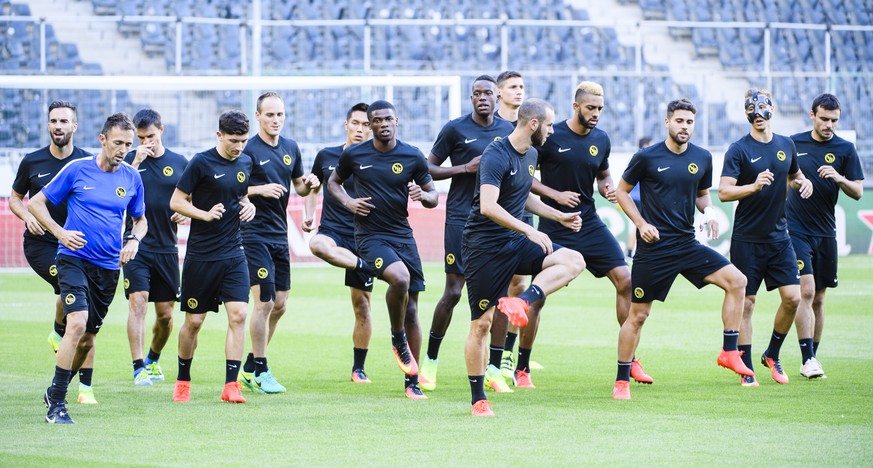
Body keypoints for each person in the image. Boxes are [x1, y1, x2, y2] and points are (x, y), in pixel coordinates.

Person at [613, 99, 753, 400]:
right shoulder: (646, 157)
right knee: (638, 316)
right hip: (654, 249)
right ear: (667, 122)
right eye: (679, 121)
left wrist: (710, 211)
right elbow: (621, 191)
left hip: (687, 245)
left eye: (689, 122)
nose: (684, 127)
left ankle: (729, 350)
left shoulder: (702, 157)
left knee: (737, 281)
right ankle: (621, 378)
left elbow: (702, 194)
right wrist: (640, 223)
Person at [463, 98, 586, 416]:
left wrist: (558, 216)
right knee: (482, 324)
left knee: (573, 260)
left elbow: (524, 197)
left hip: (513, 243)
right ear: (533, 124)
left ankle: (522, 300)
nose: (551, 131)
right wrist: (530, 231)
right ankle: (478, 399)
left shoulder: (530, 154)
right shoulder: (495, 153)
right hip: (484, 248)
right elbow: (489, 206)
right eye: (548, 124)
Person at [531, 81, 651, 388]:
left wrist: (606, 188)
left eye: (600, 109)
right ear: (576, 107)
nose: (596, 114)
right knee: (536, 296)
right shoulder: (550, 136)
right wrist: (555, 196)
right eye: (590, 108)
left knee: (627, 280)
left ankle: (631, 358)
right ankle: (521, 366)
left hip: (588, 222)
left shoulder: (601, 139)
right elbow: (526, 179)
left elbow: (603, 173)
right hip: (555, 224)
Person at [29, 112, 146, 423]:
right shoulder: (77, 170)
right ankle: (57, 404)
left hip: (108, 268)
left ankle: (56, 389)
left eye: (128, 144)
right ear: (102, 140)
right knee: (77, 323)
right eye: (118, 143)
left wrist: (133, 239)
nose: (123, 149)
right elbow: (35, 203)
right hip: (73, 259)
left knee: (87, 337)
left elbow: (141, 219)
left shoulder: (132, 178)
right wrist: (61, 233)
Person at [328, 100, 439, 400]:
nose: (383, 124)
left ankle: (411, 382)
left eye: (388, 119)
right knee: (399, 279)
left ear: (397, 120)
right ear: (371, 124)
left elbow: (433, 196)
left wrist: (423, 195)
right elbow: (333, 183)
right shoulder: (354, 154)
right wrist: (349, 202)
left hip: (403, 234)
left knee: (413, 309)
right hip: (369, 236)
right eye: (376, 120)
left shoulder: (412, 155)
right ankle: (396, 338)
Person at [418, 75, 515, 393]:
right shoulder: (454, 129)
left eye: (487, 92)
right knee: (454, 292)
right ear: (471, 98)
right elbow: (426, 169)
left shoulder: (508, 131)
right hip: (461, 219)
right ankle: (430, 362)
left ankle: (493, 368)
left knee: (501, 299)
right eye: (476, 93)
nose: (482, 97)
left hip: (497, 223)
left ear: (497, 97)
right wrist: (463, 169)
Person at [719, 89, 814, 387]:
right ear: (746, 114)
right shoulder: (738, 149)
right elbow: (723, 192)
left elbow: (794, 174)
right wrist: (753, 186)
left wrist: (804, 182)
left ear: (772, 108)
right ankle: (747, 368)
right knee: (747, 304)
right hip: (747, 239)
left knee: (793, 298)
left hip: (779, 237)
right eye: (751, 109)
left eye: (762, 108)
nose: (757, 114)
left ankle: (772, 353)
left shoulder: (787, 145)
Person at [10, 100, 97, 404]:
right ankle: (61, 336)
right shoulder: (32, 161)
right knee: (68, 285)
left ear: (75, 126)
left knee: (84, 310)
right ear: (48, 125)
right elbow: (16, 199)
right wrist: (28, 216)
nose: (58, 126)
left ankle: (82, 384)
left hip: (76, 245)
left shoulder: (88, 162)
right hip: (43, 244)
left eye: (64, 121)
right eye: (53, 121)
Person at [169, 110, 257, 404]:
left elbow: (240, 195)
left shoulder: (246, 161)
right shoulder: (201, 163)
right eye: (233, 140)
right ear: (219, 135)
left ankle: (231, 385)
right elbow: (177, 201)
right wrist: (203, 215)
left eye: (244, 140)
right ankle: (183, 380)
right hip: (201, 256)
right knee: (194, 321)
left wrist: (249, 206)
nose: (239, 147)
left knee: (239, 314)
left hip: (234, 252)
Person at [238, 92, 320, 394]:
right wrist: (258, 190)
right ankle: (260, 369)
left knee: (281, 303)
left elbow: (298, 186)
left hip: (278, 234)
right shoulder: (247, 149)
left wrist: (309, 184)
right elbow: (233, 186)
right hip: (252, 233)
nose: (275, 120)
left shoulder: (290, 147)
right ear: (258, 116)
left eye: (280, 115)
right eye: (270, 115)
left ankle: (249, 366)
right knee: (264, 301)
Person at [787, 93, 864, 379]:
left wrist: (839, 178)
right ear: (812, 116)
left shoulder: (845, 149)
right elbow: (784, 176)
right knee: (805, 291)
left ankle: (812, 356)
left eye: (834, 120)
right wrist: (797, 182)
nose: (829, 124)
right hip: (795, 229)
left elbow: (857, 191)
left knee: (819, 298)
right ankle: (808, 359)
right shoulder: (794, 143)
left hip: (825, 231)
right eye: (824, 119)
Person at [303, 102, 378, 383]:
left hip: (363, 235)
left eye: (366, 125)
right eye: (356, 123)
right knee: (316, 245)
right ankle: (365, 266)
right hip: (332, 231)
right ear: (346, 124)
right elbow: (313, 185)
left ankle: (358, 368)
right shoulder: (326, 156)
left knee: (362, 306)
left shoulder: (377, 158)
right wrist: (309, 215)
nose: (360, 129)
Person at [123, 109, 188, 386]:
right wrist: (134, 161)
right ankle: (138, 368)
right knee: (137, 304)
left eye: (150, 136)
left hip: (166, 247)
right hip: (135, 245)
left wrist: (186, 213)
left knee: (166, 315)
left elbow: (190, 199)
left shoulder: (179, 162)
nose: (146, 142)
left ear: (161, 130)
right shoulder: (128, 161)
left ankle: (152, 359)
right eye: (140, 138)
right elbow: (117, 193)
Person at [494, 70, 544, 378]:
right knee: (494, 286)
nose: (519, 91)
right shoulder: (494, 129)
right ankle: (493, 356)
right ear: (499, 93)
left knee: (521, 285)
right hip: (494, 217)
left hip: (524, 213)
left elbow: (531, 177)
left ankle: (510, 354)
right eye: (513, 87)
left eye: (522, 86)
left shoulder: (530, 128)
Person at [626, 136, 653, 259]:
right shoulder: (644, 159)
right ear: (645, 145)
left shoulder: (637, 158)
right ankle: (631, 252)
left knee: (638, 225)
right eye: (650, 144)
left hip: (634, 197)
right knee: (639, 225)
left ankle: (631, 251)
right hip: (639, 198)